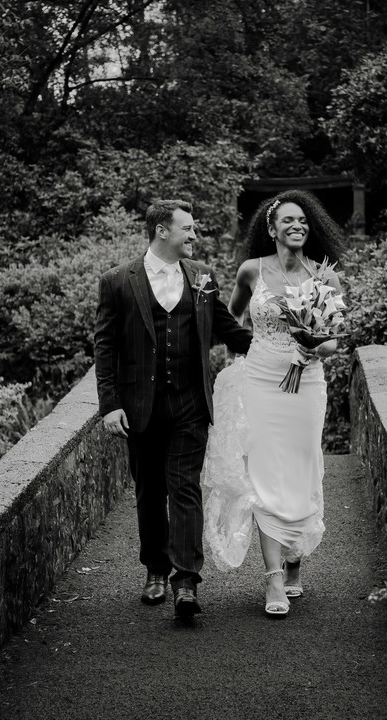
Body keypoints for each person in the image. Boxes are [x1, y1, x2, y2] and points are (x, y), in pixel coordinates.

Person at [94, 199, 252, 618]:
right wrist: (109, 406)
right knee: (149, 492)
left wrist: (283, 348)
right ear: (162, 230)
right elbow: (105, 347)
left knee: (184, 489)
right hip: (139, 406)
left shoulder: (202, 278)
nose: (195, 236)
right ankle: (155, 571)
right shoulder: (117, 282)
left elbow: (229, 330)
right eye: (188, 229)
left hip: (189, 404)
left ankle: (186, 582)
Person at [205, 190, 347, 617]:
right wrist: (249, 361)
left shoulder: (326, 279)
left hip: (307, 384)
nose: (297, 226)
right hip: (261, 380)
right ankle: (273, 579)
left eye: (302, 220)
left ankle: (295, 559)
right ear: (271, 229)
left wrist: (314, 347)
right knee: (264, 474)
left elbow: (336, 340)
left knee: (301, 470)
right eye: (287, 220)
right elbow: (231, 321)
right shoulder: (251, 271)